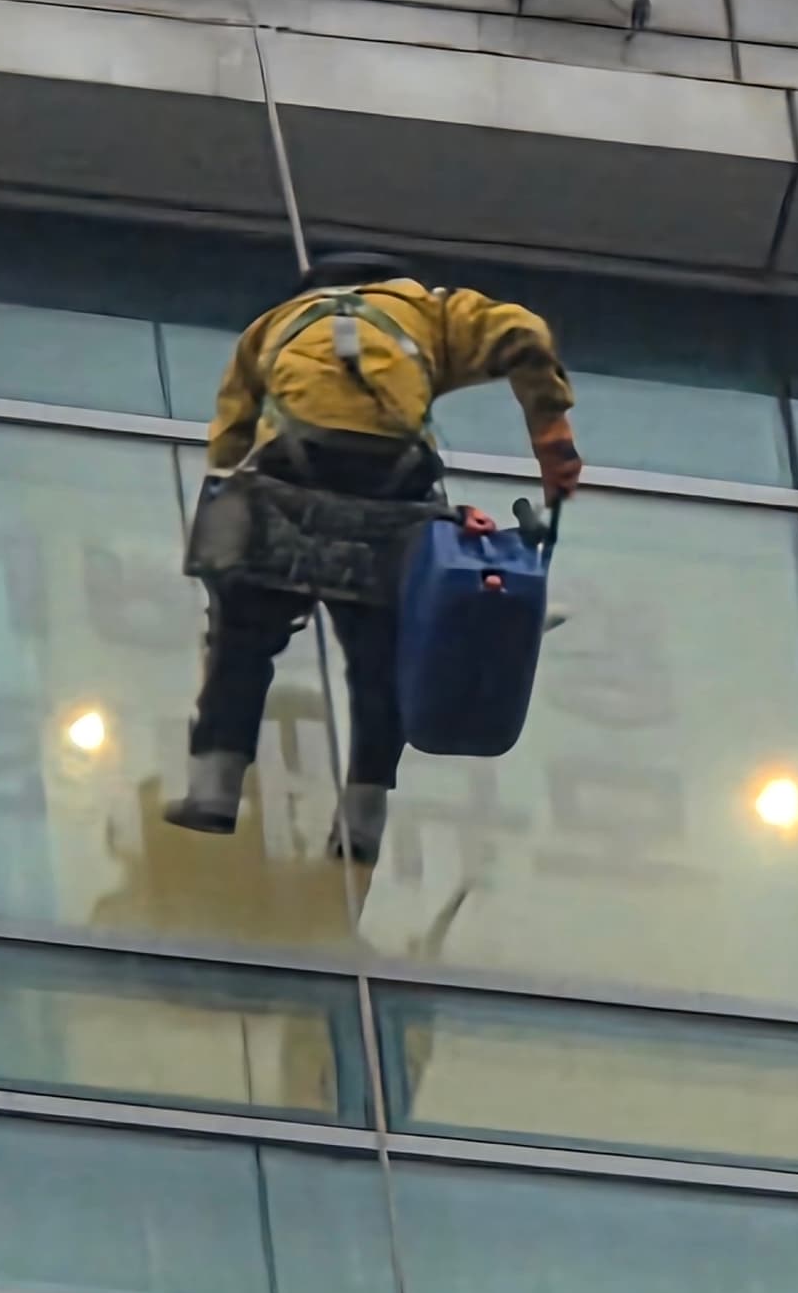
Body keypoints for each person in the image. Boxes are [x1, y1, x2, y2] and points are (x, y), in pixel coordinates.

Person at [167, 249, 581, 861]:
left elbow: (228, 442)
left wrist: (239, 527)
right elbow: (525, 334)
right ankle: (363, 819)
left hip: (287, 480)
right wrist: (552, 442)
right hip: (392, 487)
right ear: (394, 283)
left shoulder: (270, 328)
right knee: (379, 661)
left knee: (241, 641)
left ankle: (214, 788)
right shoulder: (432, 313)